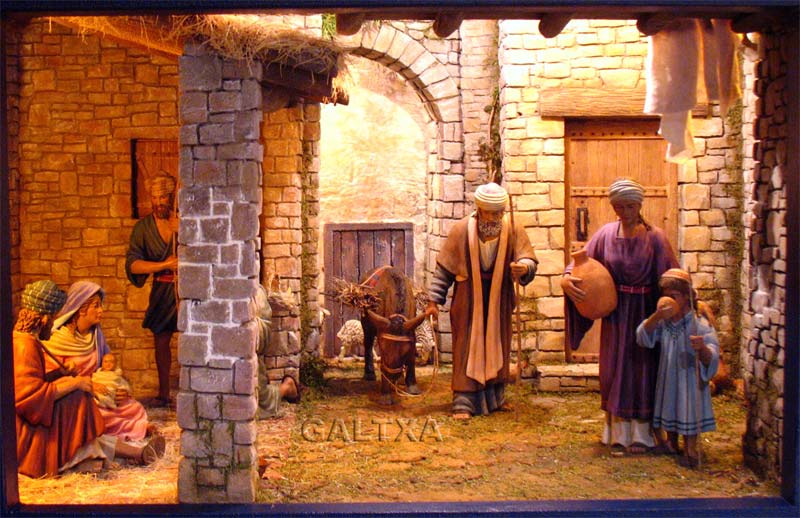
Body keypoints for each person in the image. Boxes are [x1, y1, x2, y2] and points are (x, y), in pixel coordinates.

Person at [561, 177, 679, 455]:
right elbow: (581, 261)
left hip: (646, 314)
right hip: (616, 315)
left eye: (630, 206)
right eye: (619, 207)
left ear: (639, 206)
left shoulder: (656, 238)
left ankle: (644, 434)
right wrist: (566, 278)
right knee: (614, 369)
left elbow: (671, 276)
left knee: (642, 369)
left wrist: (675, 305)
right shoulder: (605, 235)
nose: (625, 212)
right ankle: (617, 432)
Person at [14, 280, 164, 478]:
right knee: (80, 406)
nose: (54, 322)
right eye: (53, 317)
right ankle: (107, 458)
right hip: (30, 433)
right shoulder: (25, 346)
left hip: (46, 417)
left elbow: (36, 383)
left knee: (84, 420)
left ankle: (139, 453)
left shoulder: (31, 341)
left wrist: (60, 374)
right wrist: (76, 382)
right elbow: (27, 398)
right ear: (43, 318)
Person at [426, 182, 538, 419]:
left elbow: (527, 258)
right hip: (468, 300)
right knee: (466, 347)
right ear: (479, 210)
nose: (494, 218)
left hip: (499, 298)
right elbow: (444, 270)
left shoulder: (513, 228)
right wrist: (434, 301)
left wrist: (524, 268)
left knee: (498, 345)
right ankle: (464, 400)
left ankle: (495, 398)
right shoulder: (461, 230)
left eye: (498, 213)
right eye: (490, 213)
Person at [46, 281, 151, 442]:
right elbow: (52, 379)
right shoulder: (58, 340)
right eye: (96, 306)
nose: (101, 310)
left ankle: (135, 430)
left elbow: (108, 367)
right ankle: (131, 434)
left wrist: (120, 389)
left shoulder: (96, 336)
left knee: (130, 406)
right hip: (76, 397)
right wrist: (87, 385)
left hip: (101, 392)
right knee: (98, 415)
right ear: (81, 309)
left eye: (100, 305)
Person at [637, 268, 719, 468]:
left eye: (673, 296)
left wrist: (702, 349)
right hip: (669, 373)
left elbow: (713, 352)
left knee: (688, 406)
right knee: (670, 403)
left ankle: (690, 448)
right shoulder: (664, 322)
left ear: (686, 297)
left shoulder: (698, 323)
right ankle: (671, 443)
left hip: (689, 377)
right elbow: (642, 336)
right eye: (665, 295)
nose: (668, 300)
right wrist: (656, 316)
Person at [126, 172, 179, 406]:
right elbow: (133, 265)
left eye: (163, 197)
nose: (158, 203)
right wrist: (164, 265)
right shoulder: (143, 228)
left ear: (172, 197)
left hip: (187, 291)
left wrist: (185, 230)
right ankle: (164, 393)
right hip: (162, 290)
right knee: (161, 341)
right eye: (154, 198)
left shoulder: (185, 221)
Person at [252, 284, 303, 418]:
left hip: (250, 355)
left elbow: (262, 331)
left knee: (261, 400)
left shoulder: (256, 292)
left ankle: (287, 387)